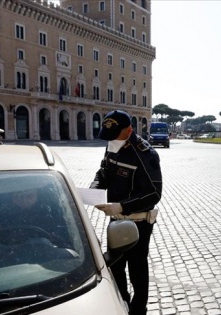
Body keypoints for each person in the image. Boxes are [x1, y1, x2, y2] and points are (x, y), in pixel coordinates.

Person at [90, 110, 162, 315]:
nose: (110, 139)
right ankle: (121, 304)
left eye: (114, 134)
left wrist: (122, 206)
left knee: (137, 268)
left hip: (138, 222)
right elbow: (103, 172)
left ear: (129, 130)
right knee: (115, 266)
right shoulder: (113, 144)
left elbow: (154, 193)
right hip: (115, 218)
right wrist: (94, 189)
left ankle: (139, 310)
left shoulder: (145, 154)